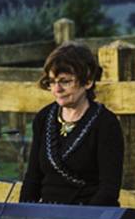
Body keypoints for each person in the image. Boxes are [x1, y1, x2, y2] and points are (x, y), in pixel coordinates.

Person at [20, 41, 124, 207]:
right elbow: (33, 177)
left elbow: (108, 189)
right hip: (46, 215)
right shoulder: (44, 118)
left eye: (65, 81)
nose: (57, 89)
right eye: (52, 82)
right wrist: (23, 216)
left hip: (89, 217)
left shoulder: (106, 123)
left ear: (88, 82)